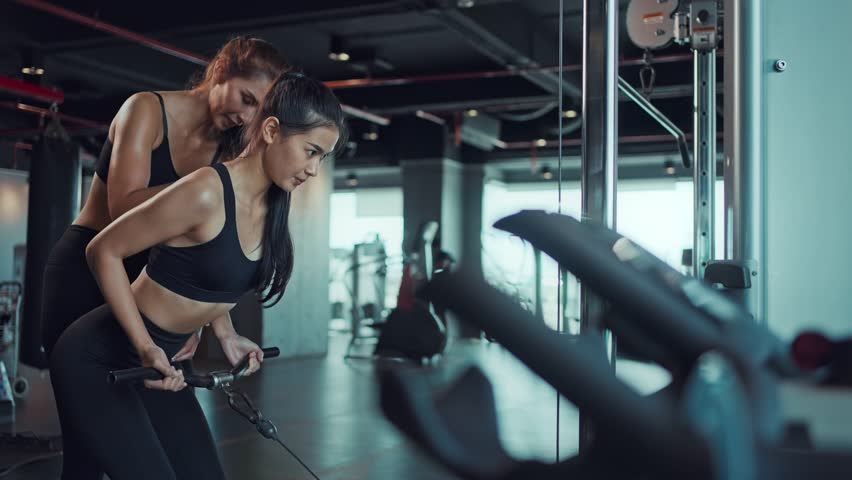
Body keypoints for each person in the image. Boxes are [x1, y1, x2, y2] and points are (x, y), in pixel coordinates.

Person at [49, 71, 347, 480]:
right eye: (311, 151)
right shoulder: (205, 191)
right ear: (271, 130)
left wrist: (228, 336)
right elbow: (103, 250)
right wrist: (145, 346)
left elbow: (212, 275)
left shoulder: (271, 207)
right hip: (98, 360)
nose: (313, 169)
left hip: (163, 366)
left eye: (322, 158)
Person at [40, 36, 290, 360]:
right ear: (221, 70)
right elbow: (122, 207)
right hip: (88, 268)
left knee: (158, 386)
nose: (247, 116)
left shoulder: (228, 151)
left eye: (257, 110)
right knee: (82, 383)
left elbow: (206, 243)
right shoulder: (145, 109)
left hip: (152, 280)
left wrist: (208, 326)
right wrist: (205, 191)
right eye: (246, 98)